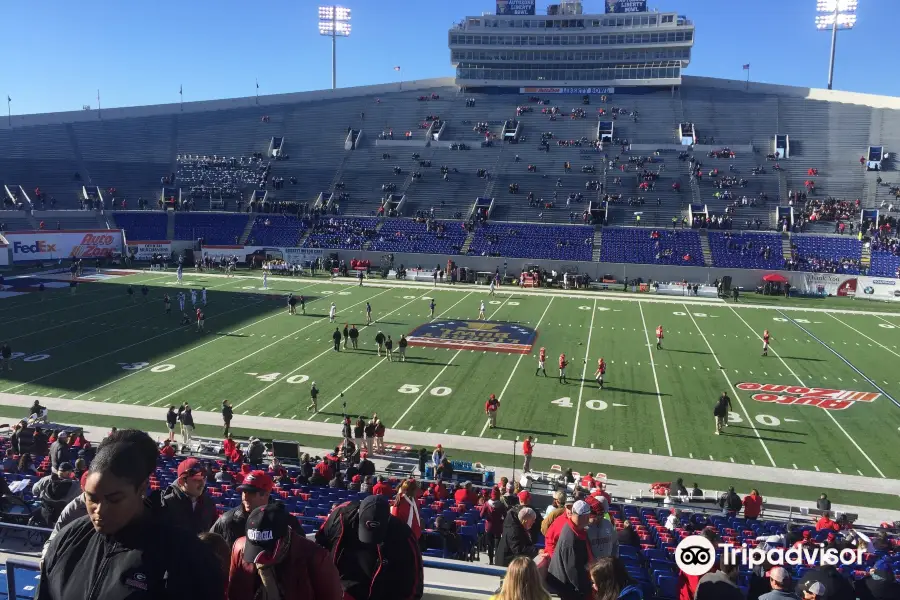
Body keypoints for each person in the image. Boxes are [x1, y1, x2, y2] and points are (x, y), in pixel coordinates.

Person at [37, 429, 224, 599]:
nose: (100, 510)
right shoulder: (68, 539)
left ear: (141, 488)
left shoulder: (187, 556)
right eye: (92, 498)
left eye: (114, 499)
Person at [316, 494, 424, 600]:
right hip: (340, 591)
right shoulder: (340, 517)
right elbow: (319, 548)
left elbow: (414, 584)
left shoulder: (403, 535)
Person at [227, 503, 343, 600]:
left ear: (284, 538)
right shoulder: (239, 548)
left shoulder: (315, 557)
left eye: (267, 548)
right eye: (255, 547)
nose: (260, 559)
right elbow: (235, 593)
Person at [210, 470, 300, 548]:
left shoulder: (286, 522)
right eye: (244, 492)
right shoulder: (227, 520)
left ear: (266, 494)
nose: (245, 497)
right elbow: (208, 548)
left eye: (251, 493)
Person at [547, 500, 595, 600]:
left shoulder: (574, 528)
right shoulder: (570, 538)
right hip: (566, 587)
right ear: (585, 517)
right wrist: (584, 590)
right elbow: (572, 570)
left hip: (567, 584)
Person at [161, 457, 217, 535]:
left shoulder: (209, 504)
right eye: (197, 479)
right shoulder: (166, 504)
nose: (202, 483)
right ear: (181, 481)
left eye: (204, 477)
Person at [480, 488, 508, 565]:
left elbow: (481, 515)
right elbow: (505, 516)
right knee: (497, 545)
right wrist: (501, 521)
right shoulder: (501, 505)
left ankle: (491, 561)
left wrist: (487, 517)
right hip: (498, 527)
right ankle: (497, 560)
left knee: (490, 544)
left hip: (489, 526)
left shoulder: (486, 504)